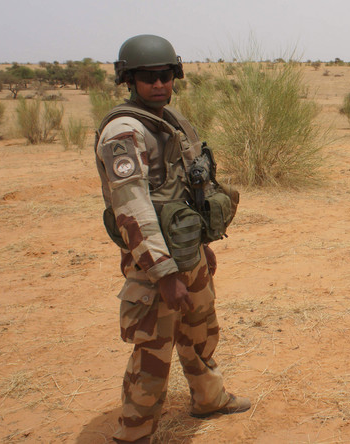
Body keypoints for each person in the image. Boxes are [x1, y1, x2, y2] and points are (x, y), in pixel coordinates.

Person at [94, 34, 249, 444]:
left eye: (166, 75)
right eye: (148, 77)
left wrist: (201, 245)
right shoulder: (124, 132)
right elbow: (133, 206)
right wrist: (163, 272)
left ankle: (209, 398)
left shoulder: (171, 120)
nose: (159, 84)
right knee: (153, 351)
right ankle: (135, 434)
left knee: (200, 332)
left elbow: (185, 191)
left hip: (187, 250)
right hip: (154, 263)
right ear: (129, 79)